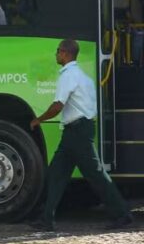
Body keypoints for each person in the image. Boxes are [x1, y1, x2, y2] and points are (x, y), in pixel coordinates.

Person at [29, 39, 133, 231]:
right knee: (55, 174)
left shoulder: (68, 76)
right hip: (76, 130)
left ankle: (122, 214)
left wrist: (39, 119)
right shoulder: (84, 77)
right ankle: (46, 218)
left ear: (66, 54)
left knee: (96, 175)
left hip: (77, 132)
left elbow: (58, 105)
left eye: (58, 51)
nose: (56, 54)